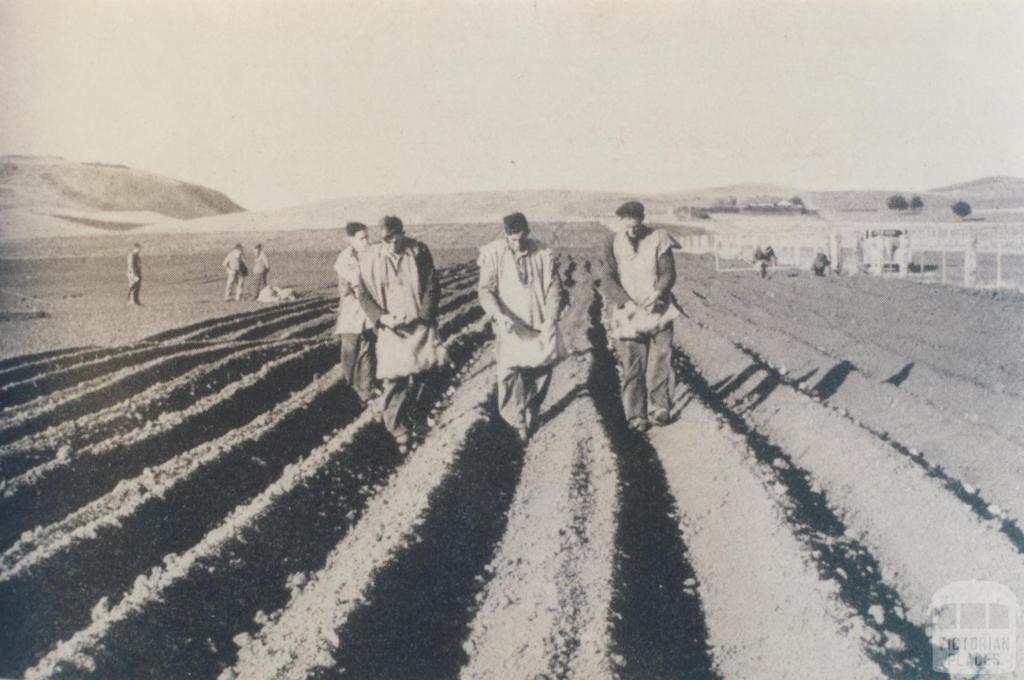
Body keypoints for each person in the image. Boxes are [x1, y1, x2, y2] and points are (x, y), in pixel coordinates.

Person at [357, 216, 447, 451]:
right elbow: (363, 294)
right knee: (395, 379)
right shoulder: (370, 259)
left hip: (418, 324)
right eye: (385, 239)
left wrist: (425, 317)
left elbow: (432, 285)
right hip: (391, 328)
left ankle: (418, 419)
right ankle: (398, 430)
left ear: (402, 234)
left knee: (425, 374)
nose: (391, 243)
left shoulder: (418, 251)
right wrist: (381, 317)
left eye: (395, 238)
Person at [478, 212, 565, 442]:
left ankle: (531, 409)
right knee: (508, 372)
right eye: (512, 239)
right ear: (506, 235)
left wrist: (552, 317)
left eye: (521, 238)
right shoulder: (494, 253)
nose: (517, 243)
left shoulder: (543, 253)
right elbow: (485, 290)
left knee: (542, 369)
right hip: (509, 324)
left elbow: (555, 288)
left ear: (527, 233)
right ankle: (516, 419)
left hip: (538, 320)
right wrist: (497, 315)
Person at [604, 200, 681, 432]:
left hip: (658, 310)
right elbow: (607, 277)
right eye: (628, 227)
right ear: (621, 223)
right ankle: (635, 414)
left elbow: (668, 272)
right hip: (629, 311)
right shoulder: (612, 242)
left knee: (660, 360)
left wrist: (659, 291)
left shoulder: (659, 238)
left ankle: (660, 408)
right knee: (632, 365)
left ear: (642, 220)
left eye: (636, 227)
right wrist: (624, 302)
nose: (632, 231)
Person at [334, 222, 375, 403]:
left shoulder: (371, 253)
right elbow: (357, 286)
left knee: (368, 348)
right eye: (361, 239)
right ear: (350, 240)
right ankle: (348, 388)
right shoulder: (345, 260)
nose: (366, 242)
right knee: (350, 350)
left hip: (368, 310)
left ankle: (366, 388)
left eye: (367, 237)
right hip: (351, 311)